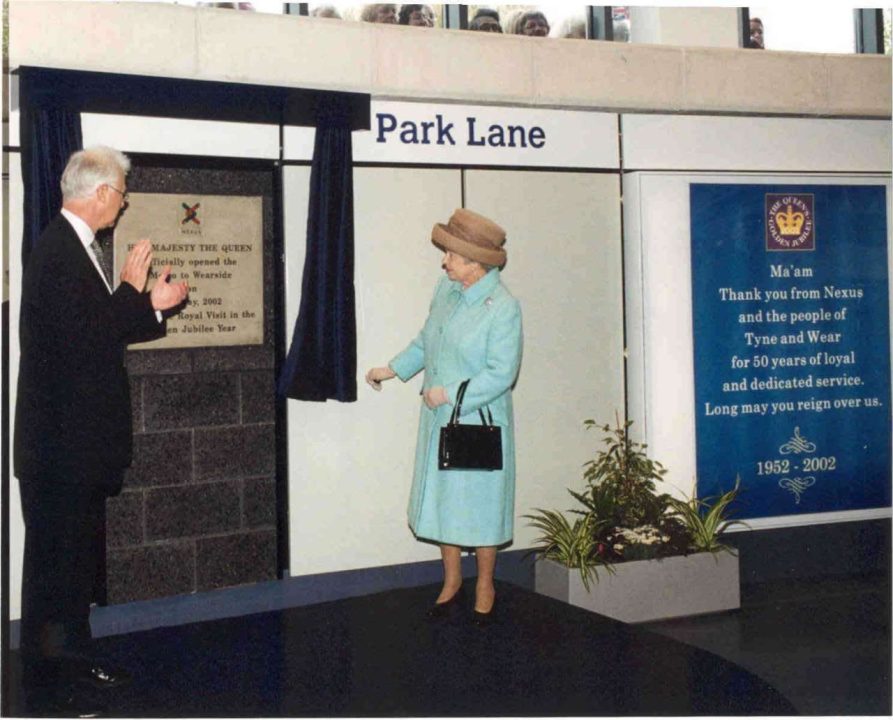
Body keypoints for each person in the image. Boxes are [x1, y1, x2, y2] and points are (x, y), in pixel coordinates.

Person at [14, 146, 189, 715]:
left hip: (70, 449)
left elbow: (94, 332)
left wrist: (148, 305)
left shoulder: (69, 248)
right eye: (121, 192)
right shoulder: (59, 253)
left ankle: (70, 668)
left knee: (69, 569)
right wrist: (135, 295)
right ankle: (54, 685)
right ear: (101, 194)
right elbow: (84, 341)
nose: (124, 202)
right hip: (60, 450)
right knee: (56, 572)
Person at [365, 209, 523, 624]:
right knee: (446, 502)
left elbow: (501, 373)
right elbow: (426, 340)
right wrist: (393, 368)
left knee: (481, 507)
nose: (444, 261)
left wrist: (449, 394)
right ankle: (452, 580)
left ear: (475, 262)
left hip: (479, 421)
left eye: (451, 255)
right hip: (439, 419)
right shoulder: (446, 290)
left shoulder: (503, 307)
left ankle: (485, 584)